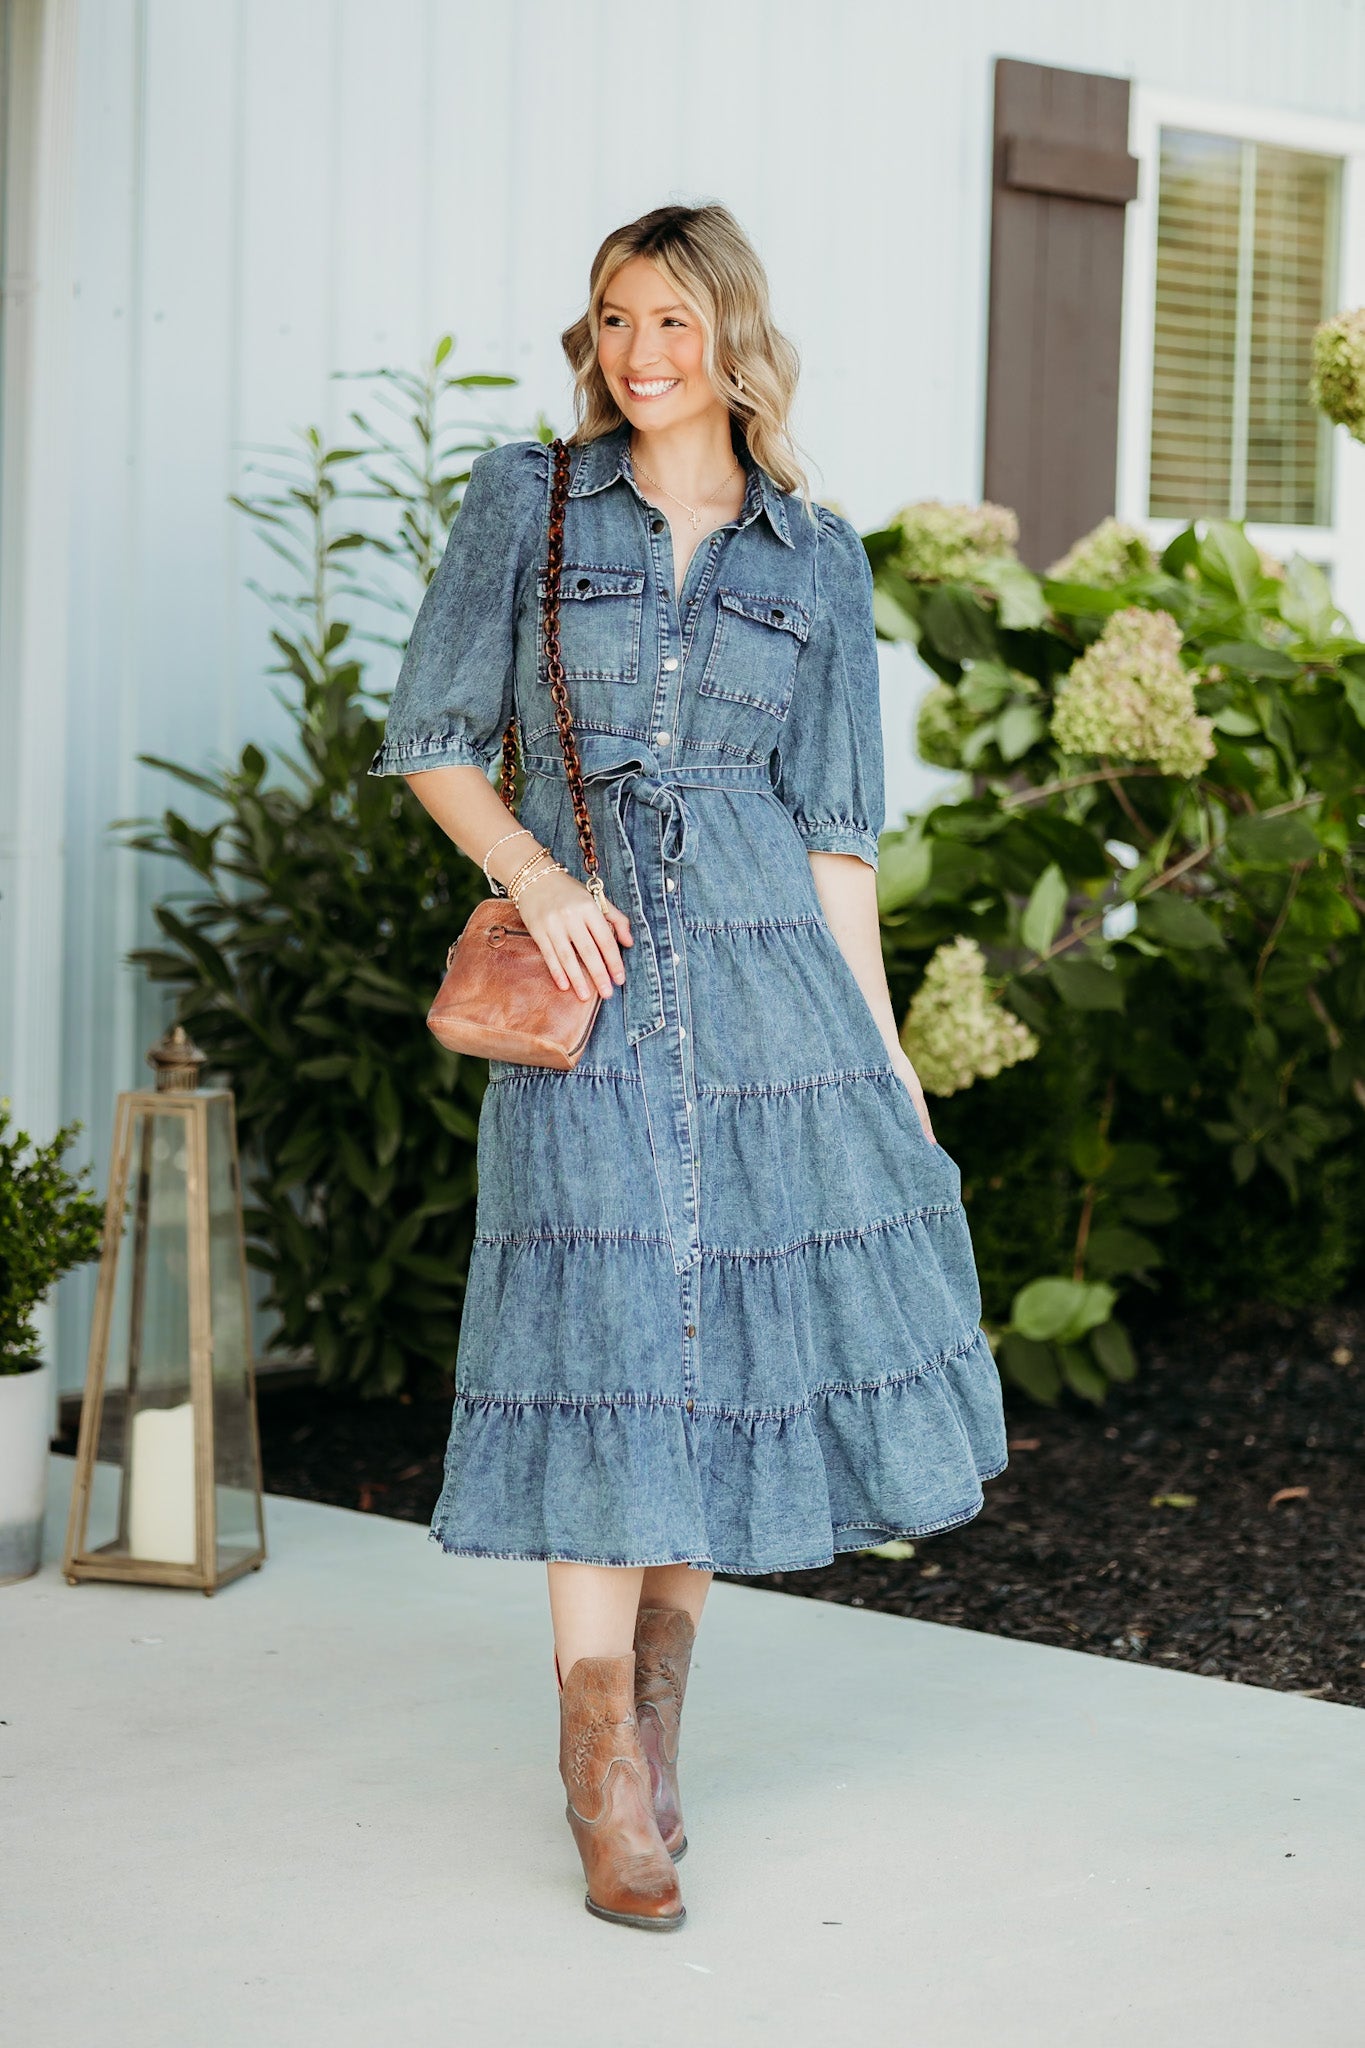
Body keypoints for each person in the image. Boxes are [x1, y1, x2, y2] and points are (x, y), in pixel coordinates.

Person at [368, 201, 1008, 1932]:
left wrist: (877, 1061)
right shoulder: (531, 499)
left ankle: (650, 1741)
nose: (637, 355)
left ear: (732, 334)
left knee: (708, 1352)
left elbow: (832, 840)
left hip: (765, 1003)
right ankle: (597, 1780)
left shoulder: (817, 555)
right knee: (602, 1346)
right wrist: (538, 873)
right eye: (610, 320)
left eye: (669, 321)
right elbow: (431, 738)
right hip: (585, 983)